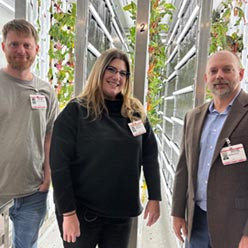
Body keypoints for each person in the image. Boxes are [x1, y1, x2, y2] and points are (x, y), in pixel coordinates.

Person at [50, 48, 161, 248]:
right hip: (82, 214)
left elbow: (150, 156)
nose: (117, 77)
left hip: (120, 216)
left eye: (123, 73)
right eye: (111, 70)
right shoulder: (76, 112)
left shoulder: (135, 113)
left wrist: (155, 196)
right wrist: (68, 213)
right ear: (99, 71)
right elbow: (59, 165)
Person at [171, 50, 248, 248]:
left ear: (240, 74)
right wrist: (178, 212)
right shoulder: (193, 116)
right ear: (206, 78)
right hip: (196, 222)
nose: (219, 75)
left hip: (235, 226)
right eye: (213, 71)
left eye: (227, 70)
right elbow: (183, 168)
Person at [0, 19, 58, 248]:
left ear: (36, 49)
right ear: (3, 47)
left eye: (26, 45)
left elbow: (49, 135)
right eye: (14, 44)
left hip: (33, 191)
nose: (20, 50)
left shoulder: (45, 91)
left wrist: (47, 177)